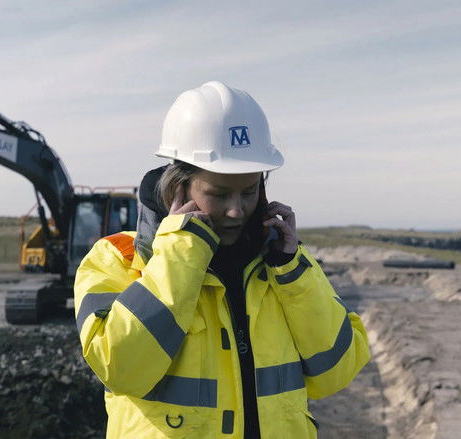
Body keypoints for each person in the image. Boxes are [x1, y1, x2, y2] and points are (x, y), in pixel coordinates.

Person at [73, 81, 370, 438]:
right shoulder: (118, 258)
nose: (235, 210)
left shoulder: (282, 262)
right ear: (176, 188)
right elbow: (121, 368)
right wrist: (183, 252)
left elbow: (336, 372)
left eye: (249, 191)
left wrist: (292, 271)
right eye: (218, 193)